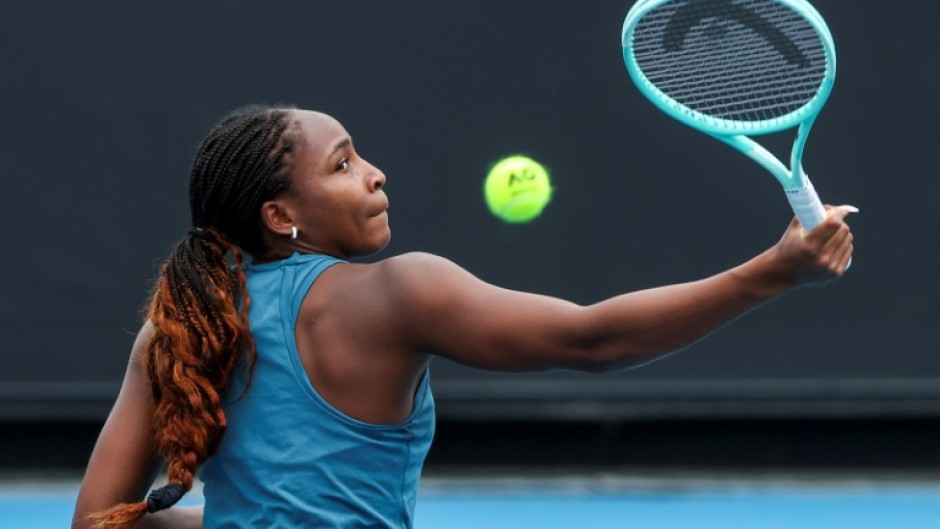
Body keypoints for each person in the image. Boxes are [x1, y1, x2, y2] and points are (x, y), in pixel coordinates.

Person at [72, 104, 855, 529]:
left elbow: (98, 524)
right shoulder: (400, 292)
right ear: (282, 216)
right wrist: (770, 273)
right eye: (342, 163)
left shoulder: (175, 331)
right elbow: (594, 338)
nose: (375, 174)